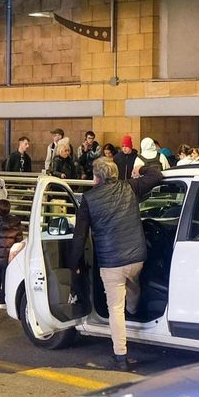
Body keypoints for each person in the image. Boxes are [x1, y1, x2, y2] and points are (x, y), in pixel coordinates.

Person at [71, 157, 145, 372]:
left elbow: (79, 237)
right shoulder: (130, 186)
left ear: (97, 177)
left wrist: (73, 264)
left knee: (115, 309)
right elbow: (156, 175)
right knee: (133, 281)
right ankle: (134, 307)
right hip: (137, 258)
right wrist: (142, 168)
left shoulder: (89, 198)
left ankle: (120, 356)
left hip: (111, 263)